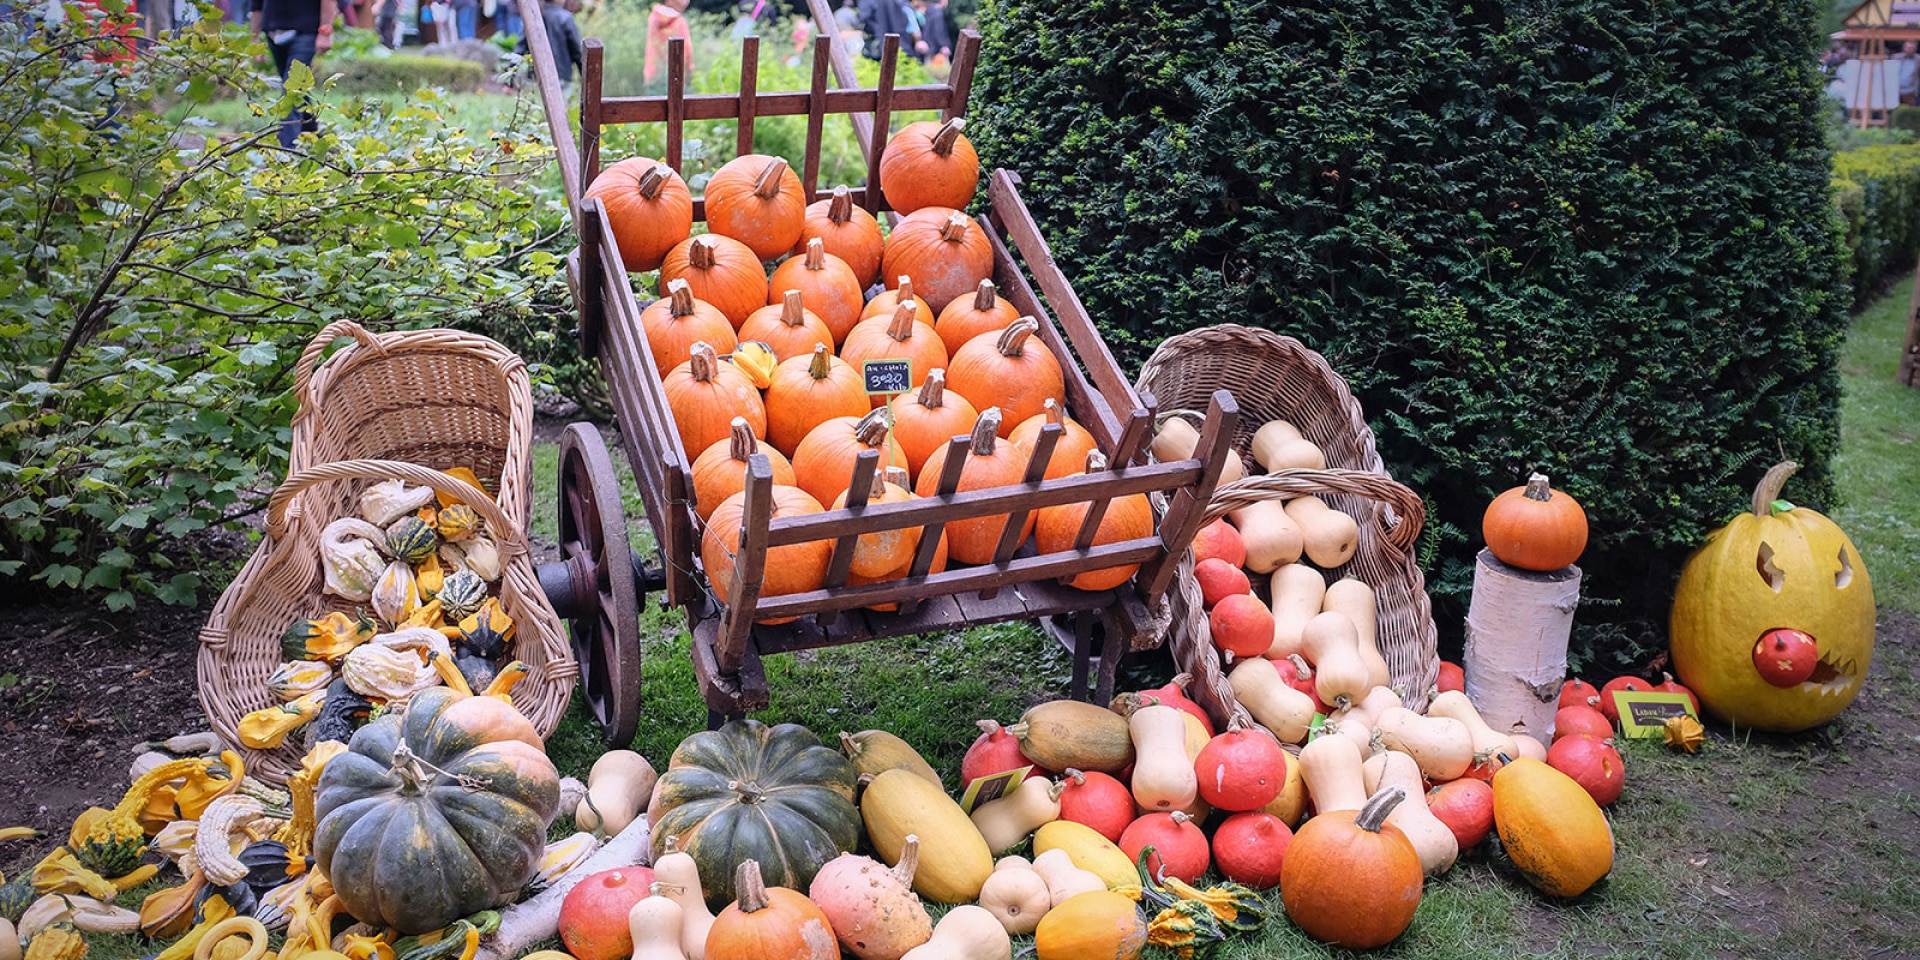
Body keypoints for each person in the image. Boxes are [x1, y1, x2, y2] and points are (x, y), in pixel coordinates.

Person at [252, 0, 336, 148]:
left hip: (306, 31)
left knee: (291, 90)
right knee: (297, 90)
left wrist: (325, 31)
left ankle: (287, 150)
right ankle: (312, 133)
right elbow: (256, 4)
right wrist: (254, 38)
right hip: (273, 31)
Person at [644, 0, 690, 86]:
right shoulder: (680, 22)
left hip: (653, 74)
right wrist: (690, 70)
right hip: (677, 76)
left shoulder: (653, 18)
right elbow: (687, 51)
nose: (686, 2)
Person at [540, 0, 582, 86]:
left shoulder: (535, 18)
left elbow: (521, 47)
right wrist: (583, 72)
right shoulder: (566, 18)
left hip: (538, 75)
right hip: (562, 73)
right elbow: (576, 49)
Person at [1896, 39, 1920, 106]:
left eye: (1912, 48)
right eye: (1908, 48)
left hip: (1910, 91)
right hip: (1895, 91)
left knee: (1910, 109)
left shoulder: (1918, 59)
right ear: (1904, 48)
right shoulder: (1895, 57)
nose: (1910, 50)